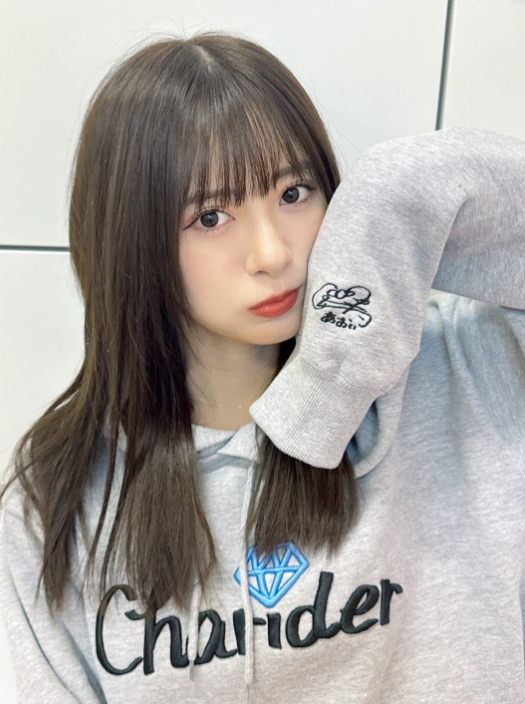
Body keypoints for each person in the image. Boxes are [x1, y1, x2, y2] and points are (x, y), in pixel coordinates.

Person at [0, 31, 524, 704]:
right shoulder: (57, 496)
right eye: (210, 216)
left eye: (294, 191)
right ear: (130, 239)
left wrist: (398, 187)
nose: (273, 253)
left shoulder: (460, 362)